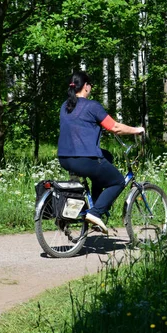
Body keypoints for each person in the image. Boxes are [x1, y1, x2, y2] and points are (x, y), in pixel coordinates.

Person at [57, 71, 144, 233]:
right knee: (117, 181)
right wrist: (136, 130)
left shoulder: (65, 106)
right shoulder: (92, 106)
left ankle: (82, 210)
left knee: (107, 157)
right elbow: (115, 127)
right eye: (90, 84)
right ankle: (95, 213)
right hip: (85, 159)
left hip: (64, 158)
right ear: (86, 87)